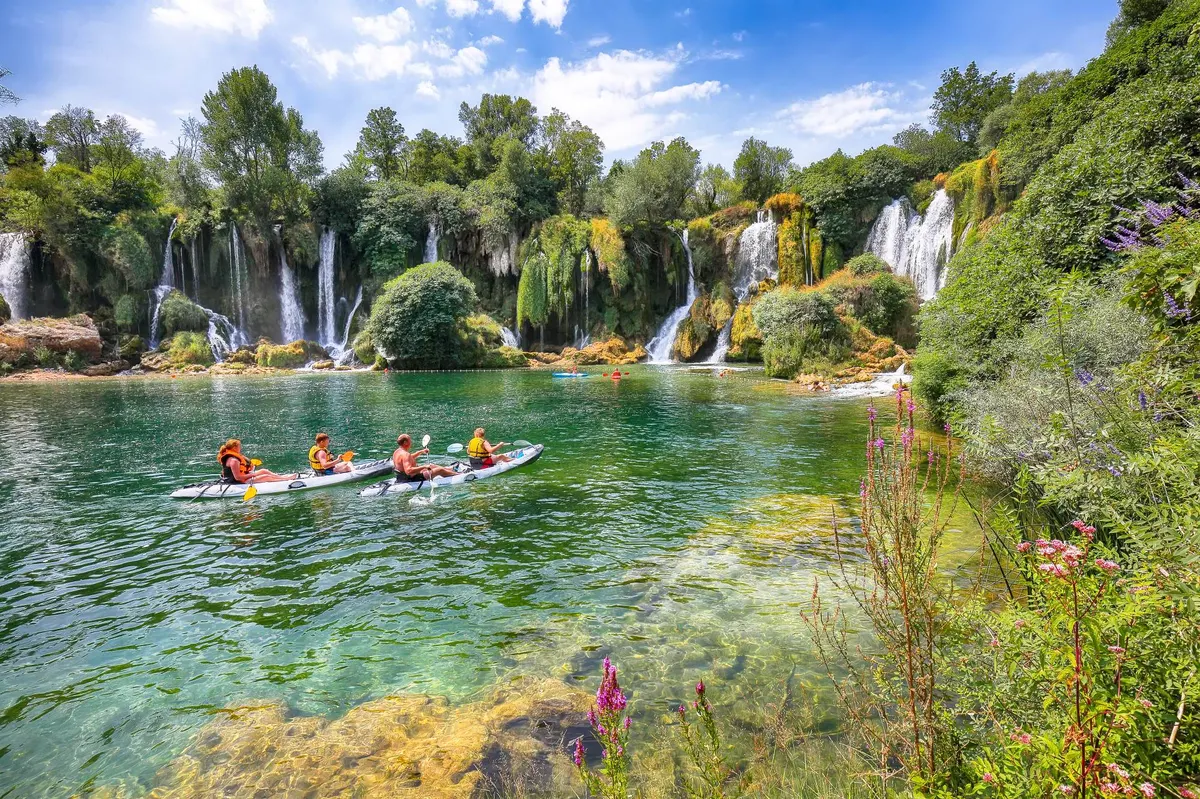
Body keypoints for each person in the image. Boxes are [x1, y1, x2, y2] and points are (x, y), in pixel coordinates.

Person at [218, 439, 297, 484]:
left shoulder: (233, 457)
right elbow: (237, 477)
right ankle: (286, 481)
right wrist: (253, 474)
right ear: (234, 448)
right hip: (237, 482)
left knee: (263, 471)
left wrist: (250, 472)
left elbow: (224, 472)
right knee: (265, 476)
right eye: (239, 446)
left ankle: (282, 477)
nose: (240, 448)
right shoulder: (234, 460)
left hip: (242, 478)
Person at [392, 434, 456, 483]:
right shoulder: (405, 454)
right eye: (410, 440)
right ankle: (459, 475)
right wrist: (424, 467)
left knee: (432, 466)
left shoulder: (397, 452)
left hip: (402, 477)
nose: (411, 442)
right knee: (439, 470)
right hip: (412, 478)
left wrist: (421, 452)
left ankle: (450, 470)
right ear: (405, 442)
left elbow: (408, 459)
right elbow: (409, 471)